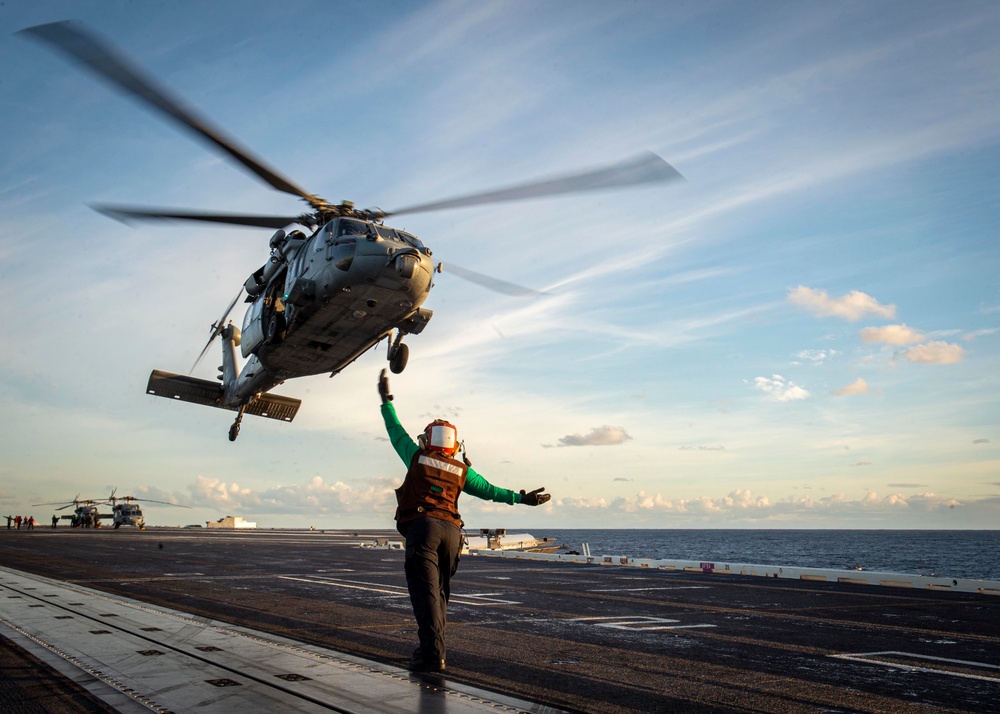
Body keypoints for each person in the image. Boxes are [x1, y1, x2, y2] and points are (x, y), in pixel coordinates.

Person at [378, 369, 550, 673]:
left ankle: (432, 655)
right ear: (455, 446)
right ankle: (434, 650)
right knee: (440, 593)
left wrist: (386, 401)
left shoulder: (416, 456)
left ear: (426, 440)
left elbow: (395, 431)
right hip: (452, 533)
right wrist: (524, 498)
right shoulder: (461, 470)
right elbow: (491, 491)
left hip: (424, 529)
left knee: (425, 593)